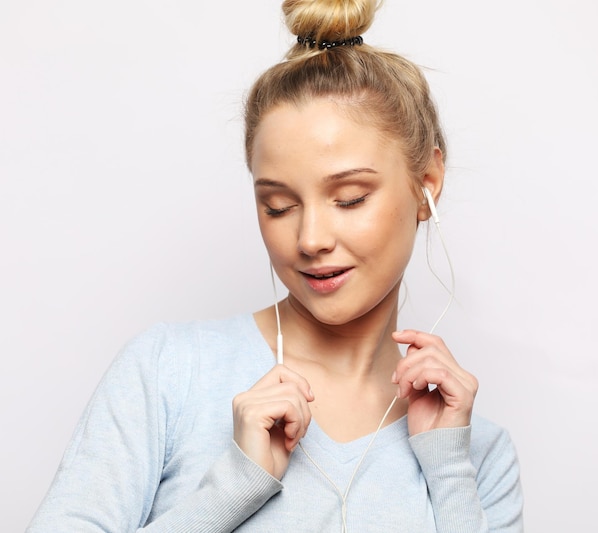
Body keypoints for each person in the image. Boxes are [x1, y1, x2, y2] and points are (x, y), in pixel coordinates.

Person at [27, 0, 523, 531]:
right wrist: (232, 488)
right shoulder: (170, 372)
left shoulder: (476, 457)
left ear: (427, 183)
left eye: (350, 198)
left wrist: (448, 468)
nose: (309, 239)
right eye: (278, 207)